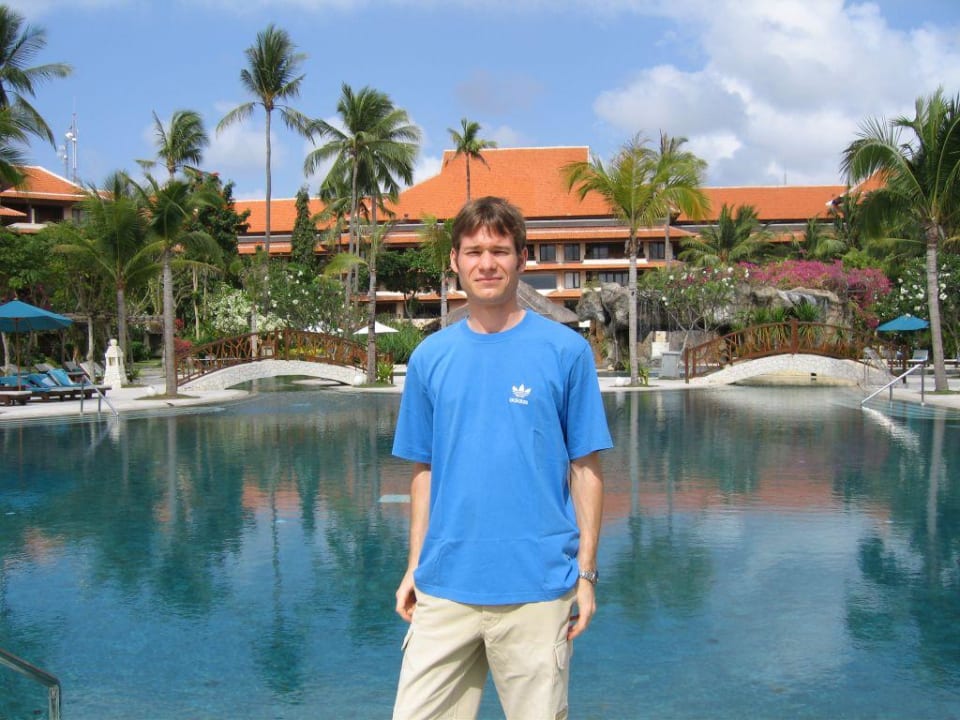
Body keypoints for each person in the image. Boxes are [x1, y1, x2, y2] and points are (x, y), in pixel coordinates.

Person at [391, 196, 612, 719]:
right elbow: (424, 473)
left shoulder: (565, 352)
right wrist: (412, 566)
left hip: (537, 589)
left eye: (499, 250)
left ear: (522, 258)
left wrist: (586, 575)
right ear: (454, 261)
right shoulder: (430, 357)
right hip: (445, 587)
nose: (486, 263)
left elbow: (586, 470)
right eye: (473, 251)